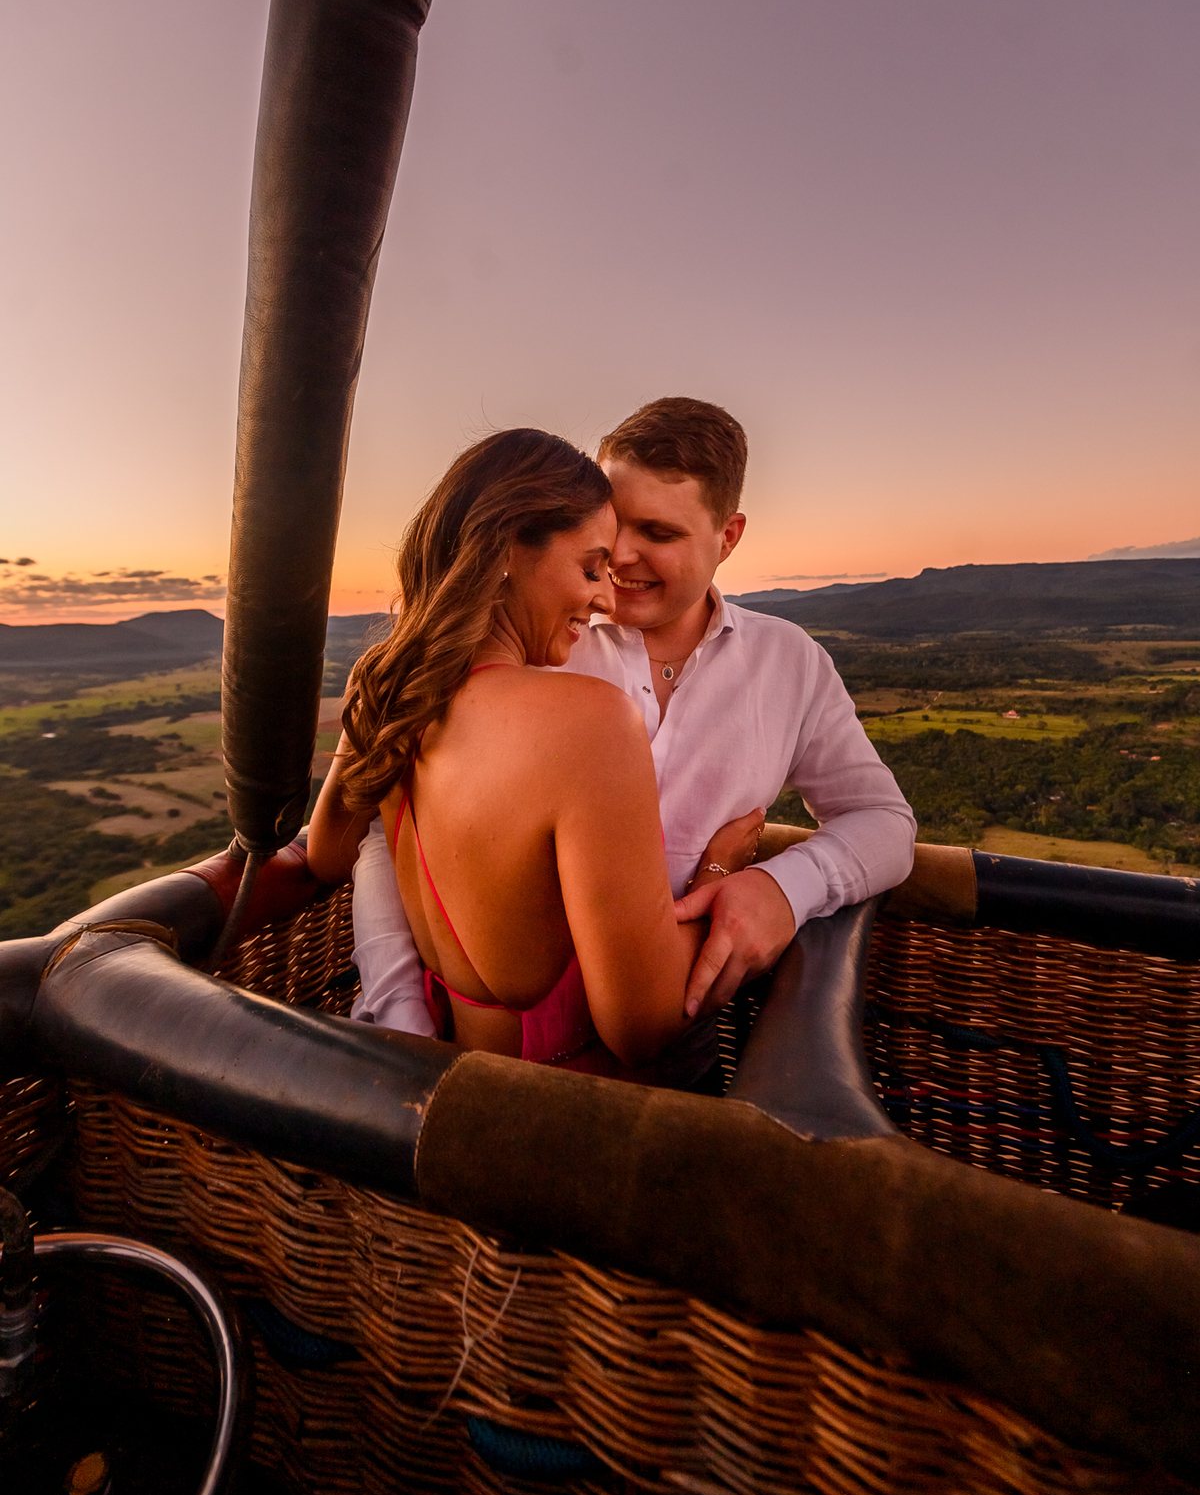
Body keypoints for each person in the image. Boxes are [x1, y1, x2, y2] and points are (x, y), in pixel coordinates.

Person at [332, 398, 916, 1071]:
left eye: (657, 532)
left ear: (728, 537)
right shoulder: (540, 641)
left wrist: (784, 888)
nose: (621, 558)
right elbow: (393, 820)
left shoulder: (791, 662)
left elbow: (884, 822)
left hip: (685, 1060)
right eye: (611, 526)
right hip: (497, 1059)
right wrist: (396, 1007)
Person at [308, 428, 762, 1085]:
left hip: (459, 1094)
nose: (606, 599)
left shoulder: (383, 684)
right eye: (589, 568)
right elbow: (642, 1028)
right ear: (506, 549)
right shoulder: (587, 722)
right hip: (567, 1128)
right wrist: (720, 875)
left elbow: (326, 854)